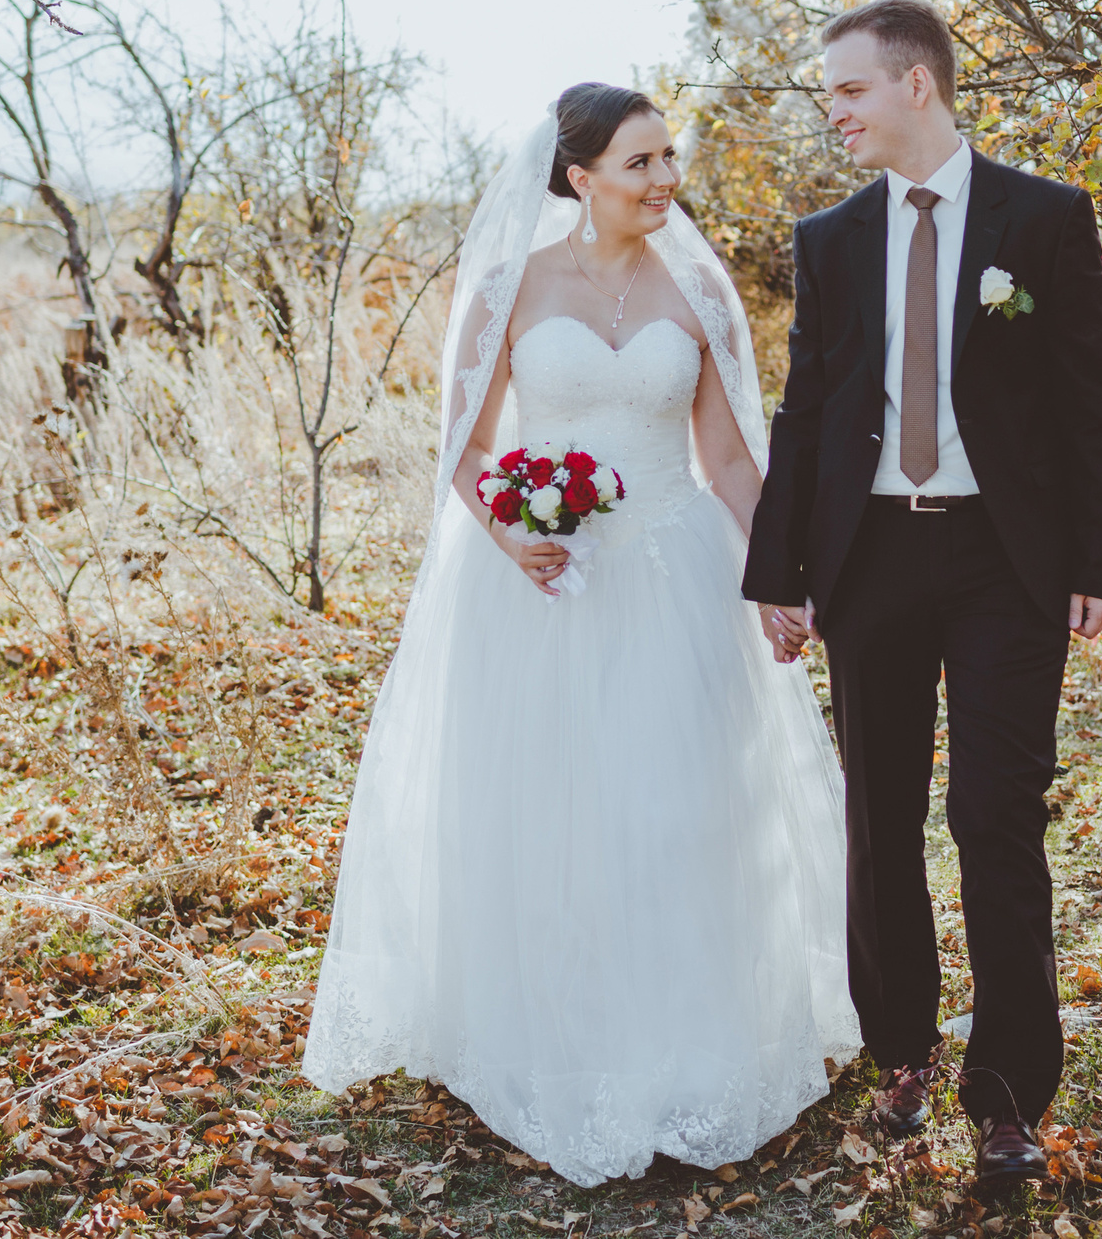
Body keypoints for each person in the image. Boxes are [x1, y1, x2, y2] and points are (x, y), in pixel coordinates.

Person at [303, 84, 858, 1187]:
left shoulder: (699, 288)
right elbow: (462, 446)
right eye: (641, 163)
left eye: (668, 159)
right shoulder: (512, 285)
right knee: (550, 809)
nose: (665, 181)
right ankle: (555, 1038)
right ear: (579, 177)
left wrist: (778, 577)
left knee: (681, 805)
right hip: (539, 585)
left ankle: (692, 1047)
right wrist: (512, 537)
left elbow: (733, 459)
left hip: (675, 569)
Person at [743, 0, 1102, 1190]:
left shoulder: (1048, 218)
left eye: (849, 91)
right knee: (882, 818)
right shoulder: (832, 239)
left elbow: (1088, 402)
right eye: (828, 97)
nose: (835, 114)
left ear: (918, 86)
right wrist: (780, 574)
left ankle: (1009, 1097)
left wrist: (1094, 564)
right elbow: (808, 413)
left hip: (1006, 565)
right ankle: (899, 1049)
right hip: (872, 561)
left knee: (996, 820)